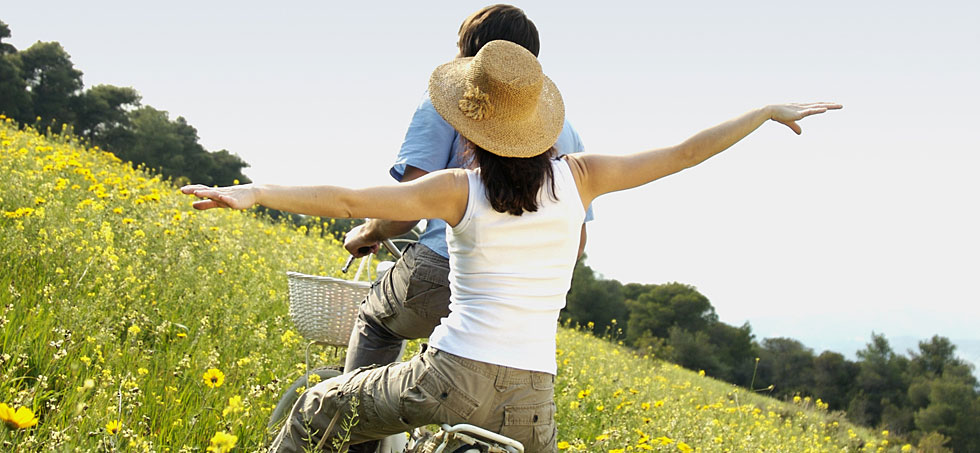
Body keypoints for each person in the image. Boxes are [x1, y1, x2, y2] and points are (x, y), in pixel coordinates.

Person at [183, 40, 840, 453]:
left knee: (315, 410)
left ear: (472, 125)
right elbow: (684, 153)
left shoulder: (458, 191)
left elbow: (351, 200)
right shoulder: (582, 177)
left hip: (449, 380)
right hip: (534, 404)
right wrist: (761, 113)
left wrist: (255, 191)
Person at [341, 3, 592, 382]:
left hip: (445, 272)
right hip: (522, 309)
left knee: (376, 321)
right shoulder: (562, 130)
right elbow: (577, 240)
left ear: (469, 54)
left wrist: (367, 233)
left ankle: (350, 430)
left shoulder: (448, 103)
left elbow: (404, 209)